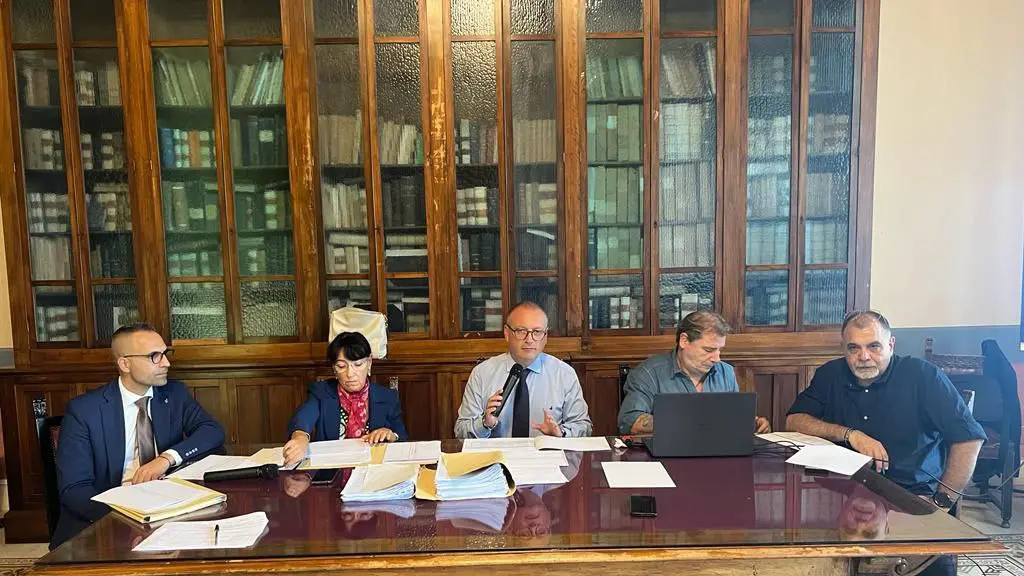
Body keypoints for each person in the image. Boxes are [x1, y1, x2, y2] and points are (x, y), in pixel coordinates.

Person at [786, 310, 985, 576]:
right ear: (843, 348)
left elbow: (969, 438)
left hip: (910, 495)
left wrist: (941, 503)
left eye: (874, 346)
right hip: (844, 494)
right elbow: (794, 420)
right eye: (854, 348)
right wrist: (850, 434)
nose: (863, 356)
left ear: (891, 344)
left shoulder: (924, 376)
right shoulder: (830, 374)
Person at [52, 323, 226, 549]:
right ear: (125, 364)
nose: (166, 363)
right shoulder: (85, 411)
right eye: (155, 356)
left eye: (165, 353)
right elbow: (75, 490)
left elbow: (212, 430)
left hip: (168, 507)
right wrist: (130, 520)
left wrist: (166, 459)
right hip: (107, 519)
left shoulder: (174, 394)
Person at [617, 311, 770, 435]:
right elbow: (630, 421)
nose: (717, 358)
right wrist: (690, 422)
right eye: (708, 350)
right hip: (668, 453)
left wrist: (753, 423)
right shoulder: (648, 373)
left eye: (719, 350)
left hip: (717, 454)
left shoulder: (726, 372)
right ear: (684, 341)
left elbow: (733, 417)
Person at [455, 301, 592, 438]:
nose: (529, 339)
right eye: (521, 331)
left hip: (547, 451)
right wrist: (484, 423)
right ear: (507, 333)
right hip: (497, 452)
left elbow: (584, 427)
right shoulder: (482, 373)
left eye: (537, 332)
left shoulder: (564, 374)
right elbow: (460, 432)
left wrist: (561, 434)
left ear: (545, 337)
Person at [283, 332, 408, 466]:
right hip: (332, 469)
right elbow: (304, 416)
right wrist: (300, 437)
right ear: (334, 369)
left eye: (358, 364)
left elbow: (401, 436)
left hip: (374, 470)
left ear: (369, 363)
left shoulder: (388, 397)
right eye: (342, 366)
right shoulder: (321, 392)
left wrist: (391, 435)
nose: (350, 374)